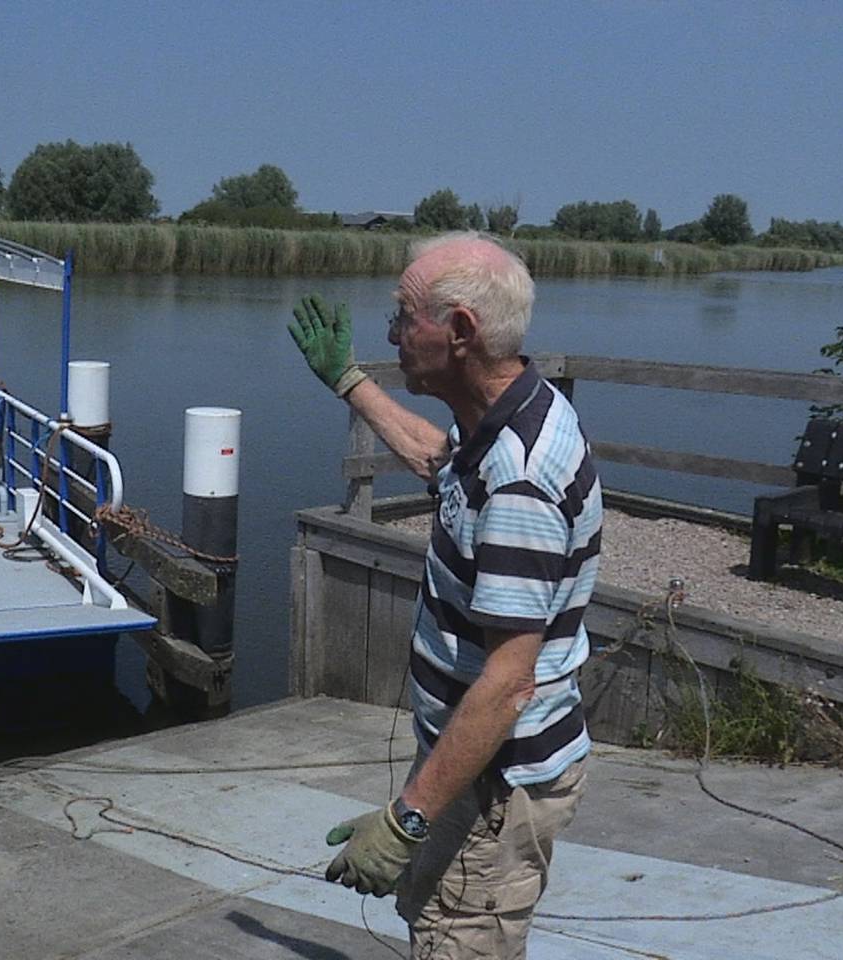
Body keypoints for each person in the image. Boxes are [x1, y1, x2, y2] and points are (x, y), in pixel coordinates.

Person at [287, 233, 602, 959]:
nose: (391, 335)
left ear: (459, 331)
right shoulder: (506, 417)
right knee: (435, 913)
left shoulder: (521, 479)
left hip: (498, 779)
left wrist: (408, 818)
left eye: (403, 318)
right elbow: (443, 466)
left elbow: (509, 683)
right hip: (475, 765)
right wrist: (348, 382)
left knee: (458, 937)